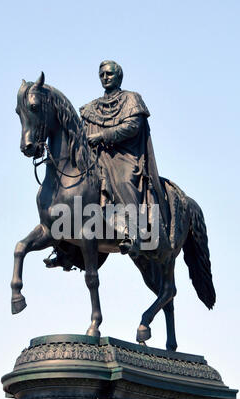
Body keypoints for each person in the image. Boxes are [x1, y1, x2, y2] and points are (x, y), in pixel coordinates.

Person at [80, 60, 166, 256]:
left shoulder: (131, 99)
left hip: (125, 156)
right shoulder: (91, 108)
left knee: (124, 180)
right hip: (97, 158)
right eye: (101, 74)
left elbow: (133, 126)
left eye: (109, 74)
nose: (105, 77)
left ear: (119, 76)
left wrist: (103, 135)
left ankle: (132, 231)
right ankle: (67, 246)